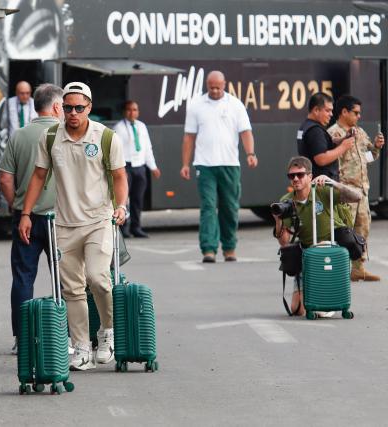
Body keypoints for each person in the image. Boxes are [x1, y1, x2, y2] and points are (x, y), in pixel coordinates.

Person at [18, 82, 128, 371]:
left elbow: (118, 176)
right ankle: (81, 345)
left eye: (79, 107)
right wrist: (26, 213)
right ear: (61, 109)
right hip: (65, 225)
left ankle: (106, 331)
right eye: (68, 108)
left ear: (89, 107)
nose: (73, 113)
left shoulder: (105, 137)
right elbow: (39, 176)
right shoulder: (51, 137)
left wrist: (121, 205)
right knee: (72, 289)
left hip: (98, 221)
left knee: (98, 278)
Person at [0, 84, 63, 355]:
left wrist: (18, 203)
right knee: (64, 278)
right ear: (57, 106)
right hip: (60, 219)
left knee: (23, 277)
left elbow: (4, 177)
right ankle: (66, 336)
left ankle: (22, 337)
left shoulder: (19, 136)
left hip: (24, 218)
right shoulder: (65, 135)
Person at [180, 70, 257, 263]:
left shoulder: (235, 104)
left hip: (230, 164)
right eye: (211, 87)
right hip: (205, 165)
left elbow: (245, 132)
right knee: (208, 207)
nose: (214, 90)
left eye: (218, 87)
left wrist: (250, 154)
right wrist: (185, 164)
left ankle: (229, 247)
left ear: (224, 85)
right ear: (207, 85)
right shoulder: (196, 105)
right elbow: (189, 137)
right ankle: (209, 249)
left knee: (230, 207)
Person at [273, 156, 362, 315]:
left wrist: (332, 182)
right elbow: (284, 243)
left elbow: (357, 197)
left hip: (332, 247)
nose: (295, 179)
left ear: (310, 176)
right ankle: (316, 296)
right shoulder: (286, 202)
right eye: (291, 176)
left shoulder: (323, 190)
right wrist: (278, 221)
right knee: (298, 310)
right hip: (309, 252)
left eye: (300, 175)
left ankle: (331, 300)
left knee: (320, 306)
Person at [327, 95, 385, 281]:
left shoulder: (359, 132)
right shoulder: (333, 133)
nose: (359, 116)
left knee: (362, 229)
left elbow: (368, 156)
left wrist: (376, 147)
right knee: (344, 232)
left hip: (362, 191)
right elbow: (329, 159)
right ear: (344, 112)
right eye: (355, 113)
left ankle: (358, 269)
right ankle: (339, 271)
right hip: (345, 191)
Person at [113, 100, 161, 238]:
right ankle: (124, 228)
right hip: (126, 166)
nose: (132, 112)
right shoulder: (119, 128)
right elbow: (116, 150)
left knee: (137, 199)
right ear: (124, 112)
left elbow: (147, 148)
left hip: (140, 167)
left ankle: (136, 226)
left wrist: (153, 166)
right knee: (124, 199)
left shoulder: (141, 126)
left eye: (135, 110)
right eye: (129, 110)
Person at [297, 92, 354, 181]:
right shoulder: (315, 130)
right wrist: (343, 147)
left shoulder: (306, 126)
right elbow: (321, 159)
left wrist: (341, 140)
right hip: (321, 186)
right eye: (327, 110)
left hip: (313, 182)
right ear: (316, 110)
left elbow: (320, 146)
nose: (331, 114)